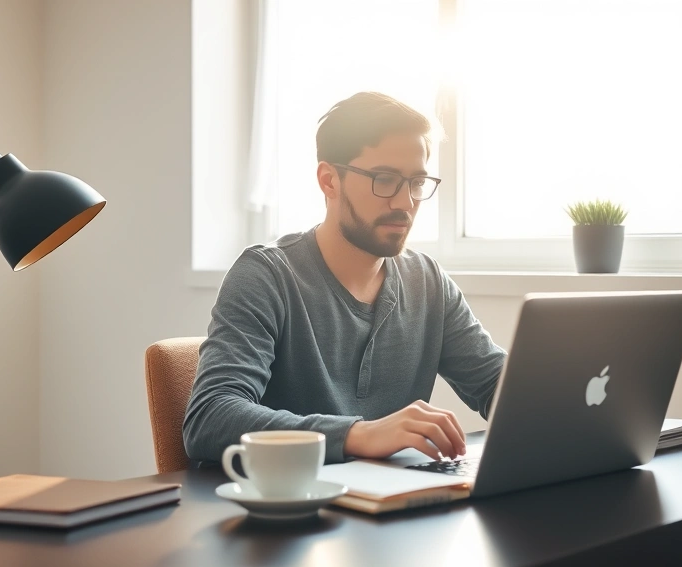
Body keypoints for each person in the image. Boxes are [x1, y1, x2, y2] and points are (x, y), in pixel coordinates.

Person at [183, 91, 506, 466]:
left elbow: (500, 387)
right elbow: (209, 417)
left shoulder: (428, 282)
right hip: (292, 511)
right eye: (385, 179)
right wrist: (359, 434)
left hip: (391, 510)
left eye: (416, 182)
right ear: (329, 180)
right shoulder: (267, 276)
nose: (405, 204)